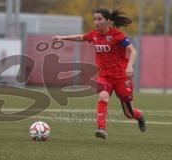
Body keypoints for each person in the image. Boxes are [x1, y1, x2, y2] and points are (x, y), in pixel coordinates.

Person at [52, 8, 146, 139]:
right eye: (95, 19)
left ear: (107, 21)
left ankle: (140, 116)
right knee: (103, 97)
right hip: (105, 76)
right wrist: (62, 37)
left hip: (122, 78)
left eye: (99, 19)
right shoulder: (94, 35)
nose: (96, 22)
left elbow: (133, 51)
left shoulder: (117, 35)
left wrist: (130, 66)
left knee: (129, 114)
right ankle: (101, 129)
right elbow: (80, 37)